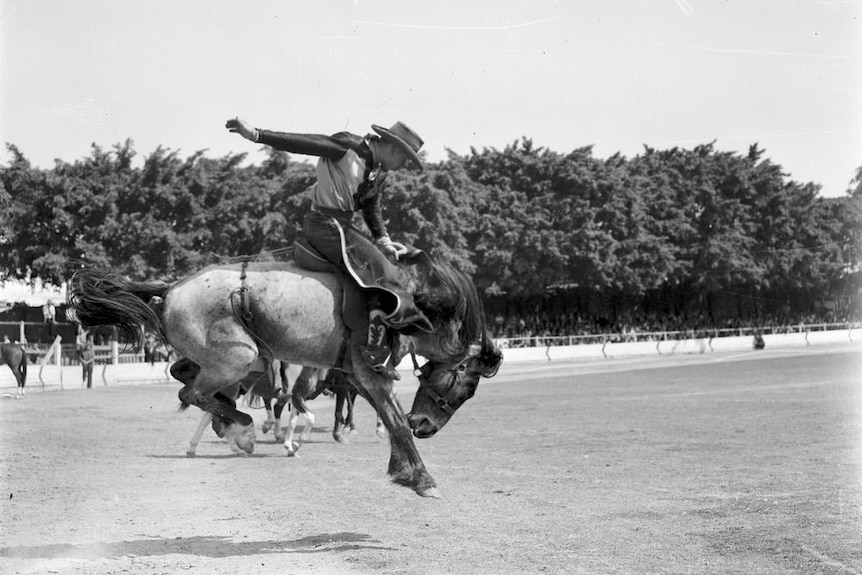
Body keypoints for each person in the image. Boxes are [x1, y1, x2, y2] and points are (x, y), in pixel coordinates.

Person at [226, 117, 433, 380]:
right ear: (394, 149)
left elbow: (371, 207)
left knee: (386, 268)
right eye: (404, 160)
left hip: (342, 227)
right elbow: (303, 143)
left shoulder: (380, 171)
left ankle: (373, 344)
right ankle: (372, 350)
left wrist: (384, 241)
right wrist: (256, 134)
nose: (402, 166)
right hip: (324, 225)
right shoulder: (347, 146)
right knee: (385, 274)